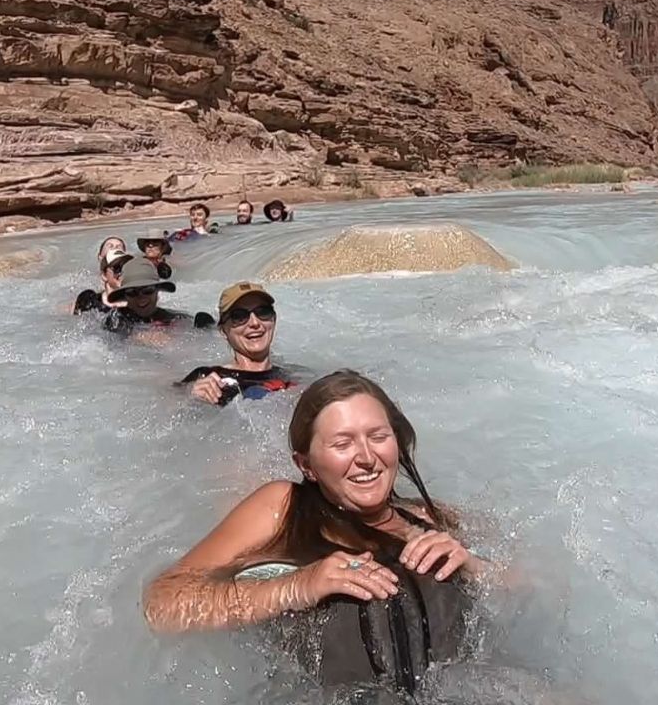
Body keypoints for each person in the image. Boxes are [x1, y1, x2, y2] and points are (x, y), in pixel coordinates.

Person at [144, 371, 504, 693]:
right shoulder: (282, 507)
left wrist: (472, 566)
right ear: (306, 465)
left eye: (378, 436)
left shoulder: (427, 515)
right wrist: (296, 586)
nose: (367, 457)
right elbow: (162, 605)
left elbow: (526, 586)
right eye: (342, 444)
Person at [181, 282, 298, 406]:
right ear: (223, 331)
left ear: (274, 319)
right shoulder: (205, 378)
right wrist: (192, 398)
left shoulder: (294, 376)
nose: (255, 323)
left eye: (263, 312)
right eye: (239, 316)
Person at [103, 258, 213, 335]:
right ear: (125, 296)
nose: (141, 297)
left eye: (147, 290)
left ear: (157, 291)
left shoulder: (175, 318)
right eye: (132, 292)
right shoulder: (116, 319)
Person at [72, 248, 132, 314]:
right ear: (104, 275)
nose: (122, 272)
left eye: (127, 267)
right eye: (117, 268)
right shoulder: (89, 300)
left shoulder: (137, 302)